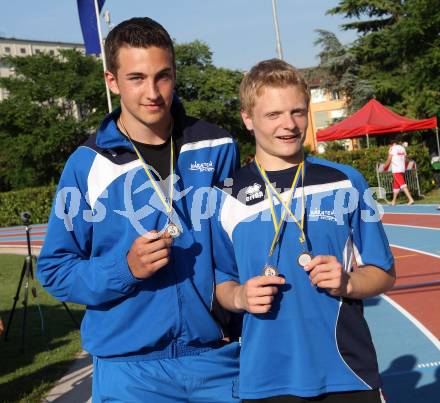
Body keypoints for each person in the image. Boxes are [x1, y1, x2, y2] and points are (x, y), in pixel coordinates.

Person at [37, 17, 240, 402]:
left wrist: (237, 310)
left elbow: (235, 245)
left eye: (163, 76)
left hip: (214, 362)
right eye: (136, 78)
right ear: (112, 81)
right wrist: (124, 269)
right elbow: (55, 269)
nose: (153, 93)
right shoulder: (87, 163)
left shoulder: (217, 146)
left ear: (176, 74)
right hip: (130, 371)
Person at [210, 59, 396, 402]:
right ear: (248, 119)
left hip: (347, 372)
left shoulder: (346, 181)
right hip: (265, 378)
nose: (289, 125)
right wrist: (239, 296)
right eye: (274, 115)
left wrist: (348, 282)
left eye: (297, 111)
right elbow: (221, 279)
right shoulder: (225, 196)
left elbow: (383, 272)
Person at [384, 141, 415, 205]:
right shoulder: (402, 148)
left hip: (396, 169)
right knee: (396, 185)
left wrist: (385, 166)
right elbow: (405, 158)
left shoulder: (392, 148)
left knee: (402, 184)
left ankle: (410, 199)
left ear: (392, 144)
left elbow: (389, 158)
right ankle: (393, 201)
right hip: (402, 168)